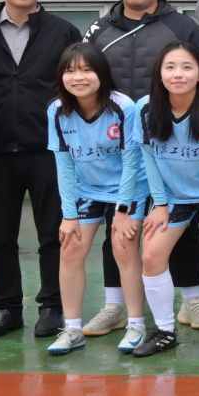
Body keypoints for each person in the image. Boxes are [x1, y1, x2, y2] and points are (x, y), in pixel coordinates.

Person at [86, 0, 199, 330]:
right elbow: (85, 82)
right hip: (117, 149)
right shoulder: (99, 30)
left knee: (184, 224)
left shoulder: (183, 28)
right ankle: (116, 305)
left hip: (173, 145)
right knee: (118, 224)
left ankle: (191, 301)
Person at [0, 0, 81, 340]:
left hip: (49, 150)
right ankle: (7, 308)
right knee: (0, 236)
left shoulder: (63, 31)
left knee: (54, 232)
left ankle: (52, 306)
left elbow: (78, 84)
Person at [114, 42, 199, 357]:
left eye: (187, 67)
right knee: (151, 256)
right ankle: (165, 331)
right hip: (173, 195)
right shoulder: (145, 108)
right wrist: (159, 204)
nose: (178, 74)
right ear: (159, 73)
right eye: (170, 67)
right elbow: (148, 157)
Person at [42, 42, 143, 356]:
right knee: (70, 249)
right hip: (87, 190)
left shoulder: (123, 107)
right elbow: (63, 165)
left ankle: (136, 324)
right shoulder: (56, 110)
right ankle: (72, 329)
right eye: (70, 71)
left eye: (87, 70)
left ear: (101, 73)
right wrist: (69, 214)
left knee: (123, 246)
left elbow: (132, 162)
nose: (78, 77)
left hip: (127, 189)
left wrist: (123, 210)